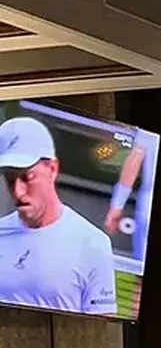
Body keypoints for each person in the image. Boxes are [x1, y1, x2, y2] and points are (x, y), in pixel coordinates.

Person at [0, 117, 118, 315]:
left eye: (27, 177)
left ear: (52, 170)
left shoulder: (93, 244)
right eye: (10, 180)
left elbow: (100, 332)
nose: (18, 192)